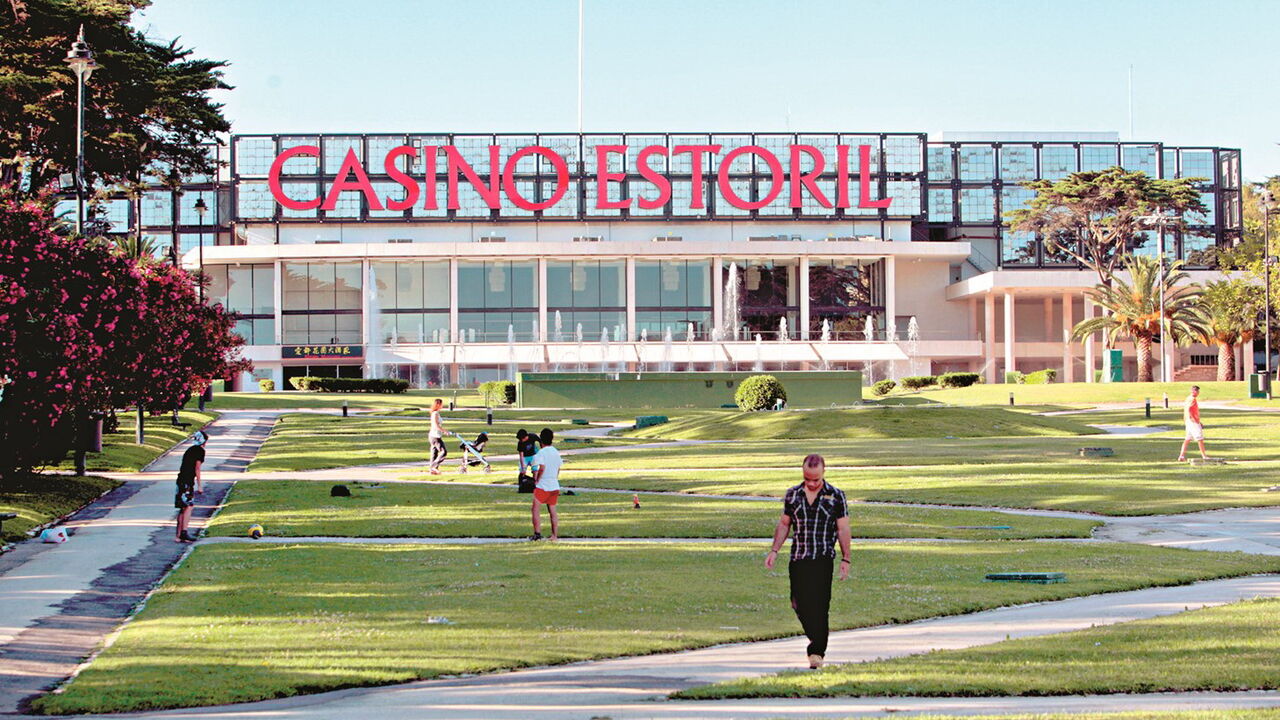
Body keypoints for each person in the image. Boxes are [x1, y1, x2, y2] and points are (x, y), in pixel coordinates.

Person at [764, 453, 852, 669]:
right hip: (799, 557)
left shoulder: (836, 496)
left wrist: (846, 558)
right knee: (798, 603)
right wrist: (775, 550)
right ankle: (815, 636)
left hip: (822, 558)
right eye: (807, 479)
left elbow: (843, 528)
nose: (811, 484)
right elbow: (785, 524)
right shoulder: (792, 495)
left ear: (824, 473)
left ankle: (816, 651)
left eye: (816, 479)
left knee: (820, 605)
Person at [529, 427, 562, 541]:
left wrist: (537, 479)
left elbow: (541, 467)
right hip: (554, 484)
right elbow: (558, 468)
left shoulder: (541, 453)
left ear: (541, 440)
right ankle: (554, 535)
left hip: (543, 485)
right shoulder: (556, 452)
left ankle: (537, 534)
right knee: (552, 511)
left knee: (535, 509)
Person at [174, 431, 207, 543]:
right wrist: (200, 485)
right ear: (204, 441)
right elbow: (197, 468)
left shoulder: (189, 450)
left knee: (182, 507)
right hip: (188, 481)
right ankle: (184, 532)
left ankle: (178, 535)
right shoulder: (200, 451)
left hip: (180, 480)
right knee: (189, 506)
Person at [1178, 385, 1210, 461]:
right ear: (1194, 391)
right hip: (1192, 421)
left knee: (1187, 439)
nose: (1197, 393)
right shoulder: (1192, 399)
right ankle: (1204, 456)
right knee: (1200, 438)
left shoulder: (1188, 398)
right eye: (1196, 391)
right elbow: (1189, 409)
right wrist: (1195, 420)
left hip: (1188, 421)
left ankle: (1181, 456)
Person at [428, 398, 447, 475]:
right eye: (441, 404)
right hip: (435, 436)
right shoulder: (435, 413)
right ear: (438, 404)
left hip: (433, 435)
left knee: (434, 453)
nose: (442, 405)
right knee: (444, 452)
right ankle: (433, 466)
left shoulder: (436, 413)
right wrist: (444, 431)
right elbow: (436, 425)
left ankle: (433, 470)